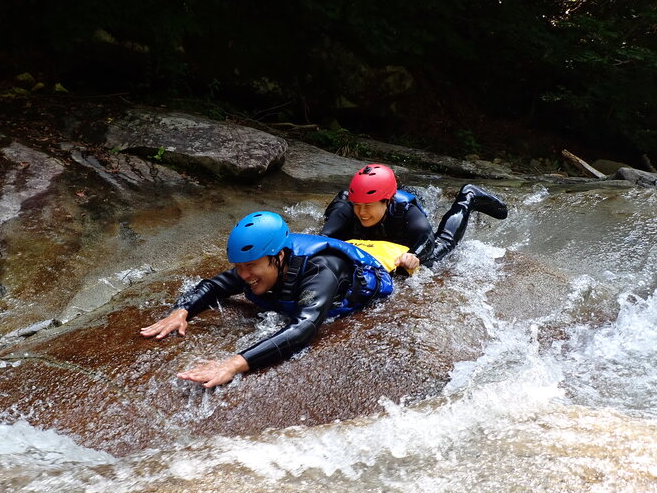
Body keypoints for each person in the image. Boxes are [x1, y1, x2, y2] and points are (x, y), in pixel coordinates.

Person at [140, 211, 394, 388]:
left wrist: (234, 364)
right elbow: (214, 285)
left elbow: (305, 327)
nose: (244, 275)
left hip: (358, 282)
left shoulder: (321, 270)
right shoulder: (259, 261)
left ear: (280, 257)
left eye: (250, 266)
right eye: (239, 267)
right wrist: (181, 311)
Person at [320, 163, 508, 270]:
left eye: (368, 206)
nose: (361, 212)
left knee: (438, 250)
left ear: (387, 201)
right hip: (354, 214)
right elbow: (323, 239)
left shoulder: (405, 209)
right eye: (358, 206)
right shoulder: (346, 208)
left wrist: (414, 256)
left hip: (405, 234)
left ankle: (469, 196)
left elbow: (425, 238)